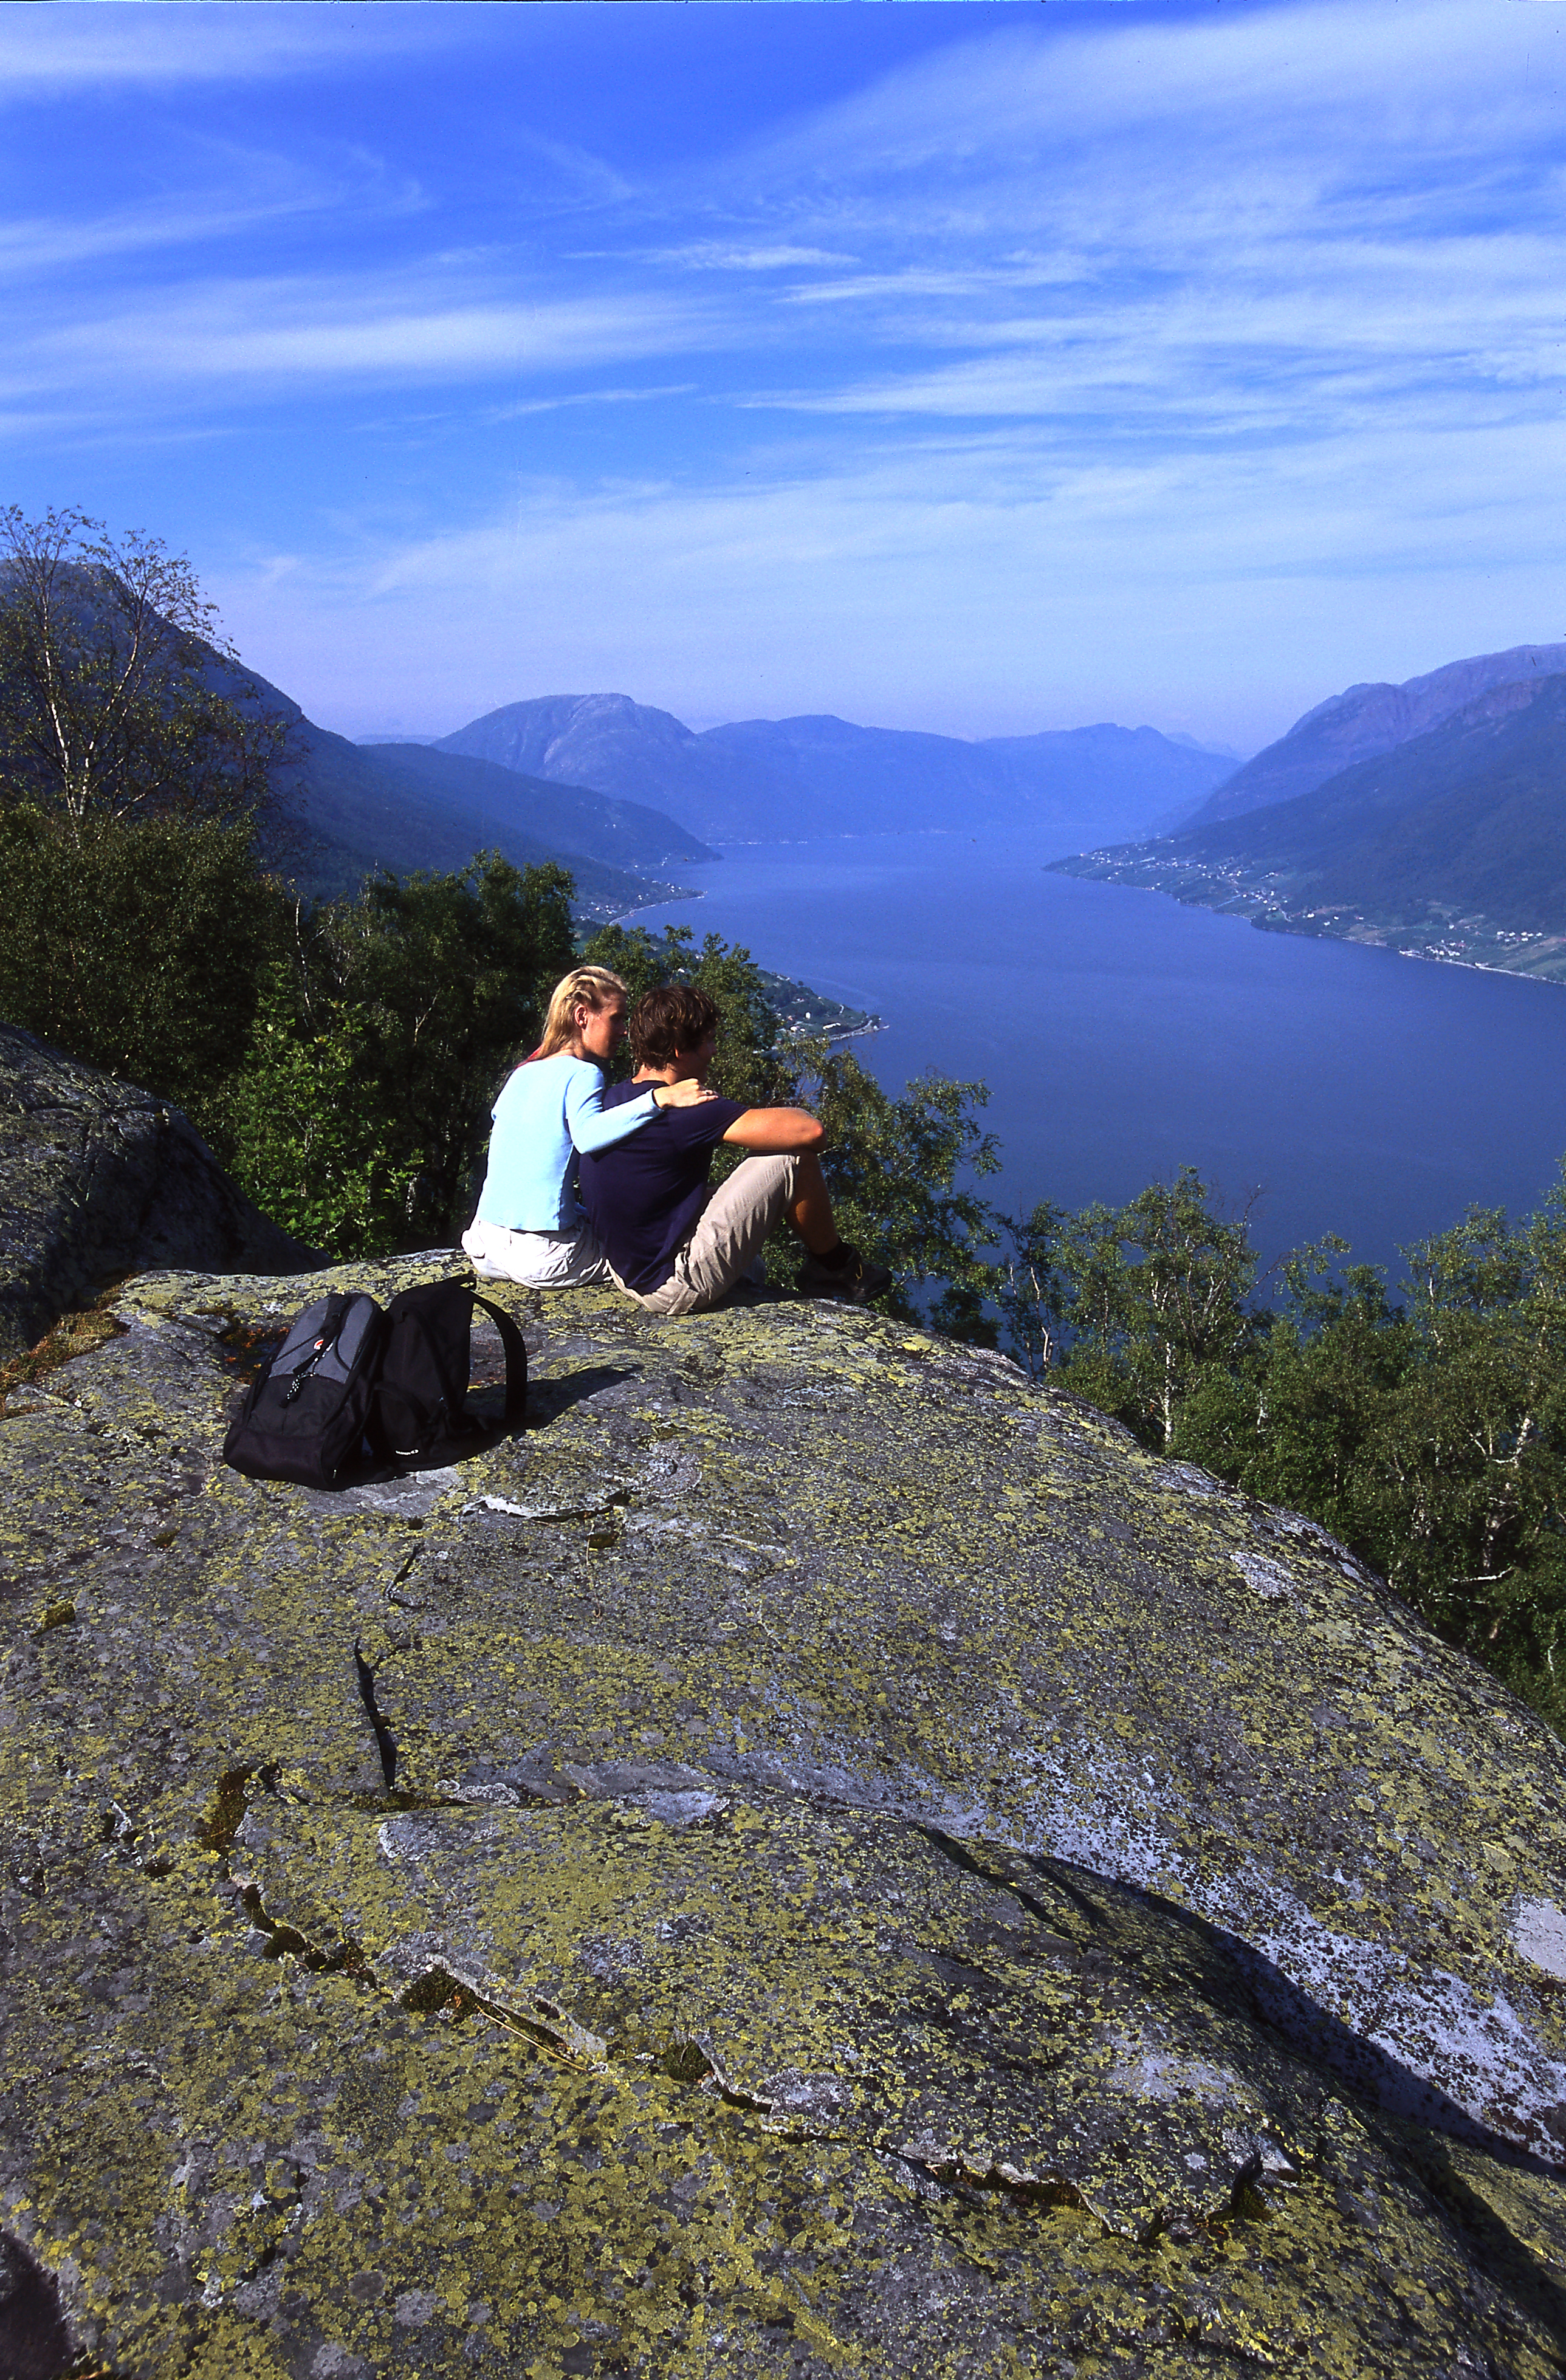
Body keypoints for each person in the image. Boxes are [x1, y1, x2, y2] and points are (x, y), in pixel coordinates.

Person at [577, 982, 893, 1316]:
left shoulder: (614, 1103)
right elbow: (811, 1132)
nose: (714, 1050)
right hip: (668, 1284)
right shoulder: (686, 1108)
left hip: (626, 1270)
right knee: (791, 1159)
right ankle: (836, 1266)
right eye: (708, 1040)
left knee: (753, 1255)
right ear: (679, 1051)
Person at [461, 965, 713, 1288]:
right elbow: (589, 1136)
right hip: (542, 1255)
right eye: (617, 1018)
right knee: (646, 1249)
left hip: (486, 1243)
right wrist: (660, 1098)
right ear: (583, 1017)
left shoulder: (523, 1073)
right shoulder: (583, 1073)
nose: (625, 1030)